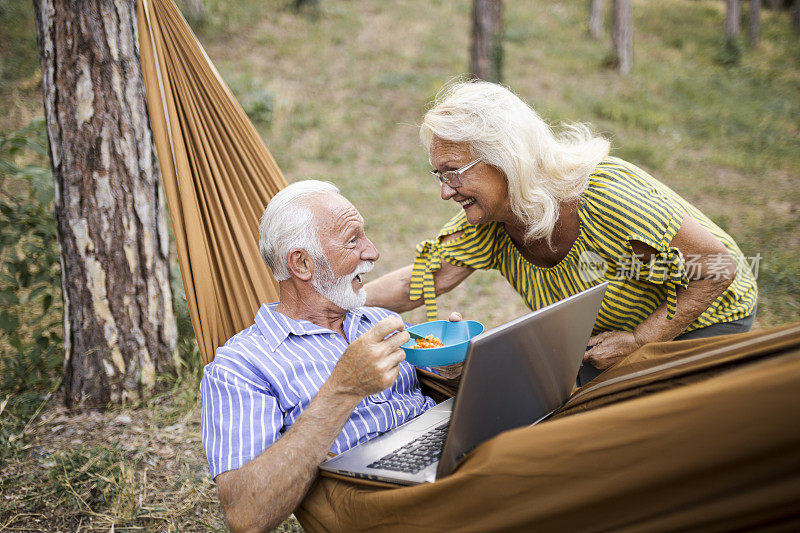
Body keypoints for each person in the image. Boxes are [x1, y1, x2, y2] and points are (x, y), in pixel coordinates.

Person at [366, 80, 758, 385]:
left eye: (453, 172)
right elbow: (418, 282)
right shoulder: (492, 219)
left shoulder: (605, 197)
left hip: (703, 319)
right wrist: (337, 305)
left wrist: (641, 340)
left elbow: (717, 268)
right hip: (607, 338)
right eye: (439, 174)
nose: (444, 191)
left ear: (506, 158)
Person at [200, 180, 459, 532]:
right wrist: (344, 389)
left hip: (451, 451)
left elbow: (437, 388)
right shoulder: (241, 366)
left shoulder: (377, 320)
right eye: (353, 240)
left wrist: (454, 370)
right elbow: (246, 515)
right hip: (386, 503)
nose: (373, 252)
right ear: (302, 263)